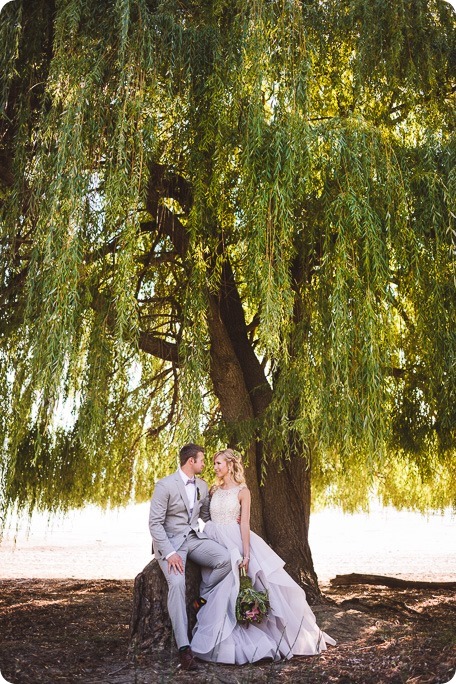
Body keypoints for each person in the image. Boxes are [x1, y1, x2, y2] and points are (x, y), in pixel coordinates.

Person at [191, 448, 336, 664]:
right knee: (220, 586)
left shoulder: (243, 491)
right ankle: (218, 633)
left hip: (236, 540)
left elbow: (245, 523)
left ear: (230, 465)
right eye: (213, 464)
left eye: (218, 463)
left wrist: (246, 554)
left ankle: (248, 638)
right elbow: (204, 516)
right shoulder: (213, 490)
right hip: (214, 540)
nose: (215, 468)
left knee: (241, 586)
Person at [148, 443, 232, 671]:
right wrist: (170, 553)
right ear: (190, 461)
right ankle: (184, 649)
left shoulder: (203, 487)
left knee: (226, 559)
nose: (205, 465)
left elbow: (205, 516)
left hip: (194, 539)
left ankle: (201, 598)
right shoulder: (165, 485)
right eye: (202, 460)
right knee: (176, 583)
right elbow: (154, 524)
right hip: (172, 544)